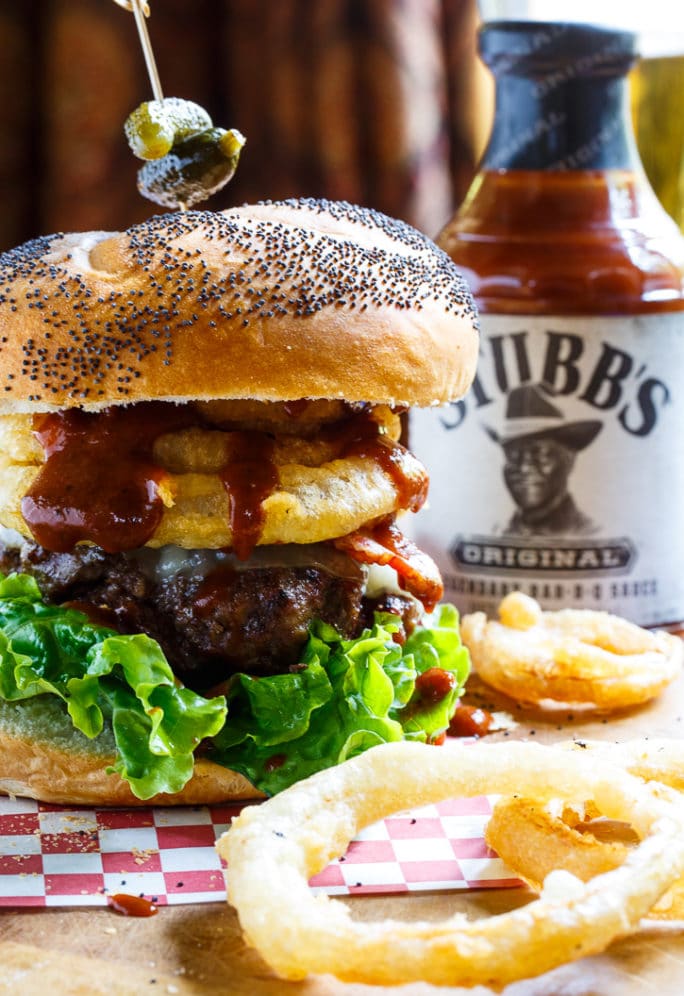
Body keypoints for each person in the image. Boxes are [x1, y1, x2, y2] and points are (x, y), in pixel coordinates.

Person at [485, 384, 602, 537]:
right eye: (513, 455)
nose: (524, 468)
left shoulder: (590, 533)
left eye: (540, 454)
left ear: (569, 460)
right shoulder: (500, 532)